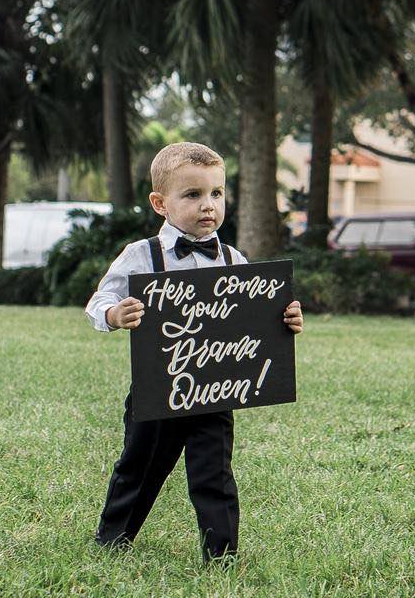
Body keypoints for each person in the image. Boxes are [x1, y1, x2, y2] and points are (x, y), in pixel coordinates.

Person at [85, 142, 303, 565]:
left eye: (217, 194)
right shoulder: (140, 255)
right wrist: (114, 313)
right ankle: (113, 538)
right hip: (159, 388)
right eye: (193, 195)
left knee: (214, 472)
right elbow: (99, 300)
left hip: (215, 390)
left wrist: (285, 318)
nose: (208, 206)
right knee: (140, 465)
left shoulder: (232, 258)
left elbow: (256, 315)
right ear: (159, 203)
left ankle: (221, 553)